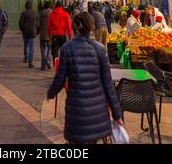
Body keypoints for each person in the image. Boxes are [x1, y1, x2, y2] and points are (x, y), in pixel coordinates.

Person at [47, 12, 123, 144]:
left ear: (74, 28)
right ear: (91, 27)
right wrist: (117, 115)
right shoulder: (100, 49)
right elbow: (108, 85)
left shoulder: (67, 49)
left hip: (76, 112)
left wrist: (51, 93)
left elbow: (59, 80)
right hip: (97, 114)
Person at [47, 0, 72, 65]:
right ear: (62, 6)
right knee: (64, 52)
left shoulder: (51, 14)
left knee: (55, 53)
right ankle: (63, 66)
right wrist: (70, 37)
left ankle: (56, 66)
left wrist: (49, 35)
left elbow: (48, 27)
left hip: (54, 35)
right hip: (63, 35)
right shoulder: (66, 14)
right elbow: (69, 27)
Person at [19, 1, 39, 68]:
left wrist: (22, 29)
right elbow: (38, 24)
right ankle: (30, 61)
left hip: (25, 31)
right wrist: (37, 32)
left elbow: (20, 23)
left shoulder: (23, 13)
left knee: (26, 45)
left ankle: (26, 58)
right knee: (31, 47)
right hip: (33, 32)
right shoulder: (35, 13)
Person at [38, 1, 52, 71]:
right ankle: (48, 61)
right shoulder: (52, 13)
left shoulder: (41, 13)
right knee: (49, 49)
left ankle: (43, 65)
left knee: (43, 49)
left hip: (43, 33)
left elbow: (38, 24)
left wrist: (38, 31)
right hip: (50, 34)